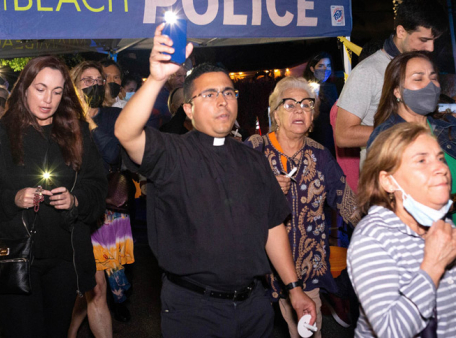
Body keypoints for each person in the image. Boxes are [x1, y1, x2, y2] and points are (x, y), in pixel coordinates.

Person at [115, 24, 316, 337]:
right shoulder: (172, 153)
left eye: (228, 92)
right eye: (209, 94)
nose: (222, 101)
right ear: (189, 110)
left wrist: (294, 288)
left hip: (253, 307)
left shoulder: (252, 158)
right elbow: (125, 133)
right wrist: (156, 78)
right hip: (194, 309)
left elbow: (272, 225)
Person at [0, 56, 107, 338]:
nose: (49, 99)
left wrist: (75, 200)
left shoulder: (78, 132)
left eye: (57, 91)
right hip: (17, 256)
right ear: (24, 89)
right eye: (41, 88)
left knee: (56, 331)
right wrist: (13, 198)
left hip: (63, 258)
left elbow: (97, 188)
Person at [245, 77, 359, 337]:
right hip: (259, 269)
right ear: (275, 113)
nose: (299, 110)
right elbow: (229, 198)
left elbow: (347, 202)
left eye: (307, 104)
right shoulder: (254, 150)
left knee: (307, 332)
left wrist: (380, 229)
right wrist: (263, 188)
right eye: (290, 104)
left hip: (308, 268)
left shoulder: (320, 155)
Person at [348, 122, 456, 337]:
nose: (441, 168)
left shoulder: (441, 223)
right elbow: (390, 331)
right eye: (421, 161)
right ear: (388, 181)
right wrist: (433, 265)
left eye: (439, 158)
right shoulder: (372, 239)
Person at [367, 51, 456, 271]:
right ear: (397, 91)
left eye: (433, 77)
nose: (431, 86)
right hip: (420, 265)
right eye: (418, 79)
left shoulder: (451, 128)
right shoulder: (386, 139)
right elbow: (389, 207)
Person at [335, 0, 447, 168]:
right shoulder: (367, 71)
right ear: (401, 31)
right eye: (423, 39)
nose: (430, 48)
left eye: (434, 40)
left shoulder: (425, 67)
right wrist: (406, 128)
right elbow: (343, 135)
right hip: (385, 175)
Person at [68, 60, 135, 337]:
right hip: (71, 209)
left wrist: (89, 120)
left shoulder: (111, 117)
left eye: (98, 81)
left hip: (104, 211)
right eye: (87, 80)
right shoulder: (62, 118)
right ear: (74, 85)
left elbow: (112, 155)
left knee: (97, 287)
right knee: (83, 287)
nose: (95, 84)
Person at [304, 52, 338, 158]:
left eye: (328, 66)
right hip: (312, 135)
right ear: (312, 68)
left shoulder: (332, 87)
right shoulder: (305, 87)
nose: (325, 69)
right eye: (320, 66)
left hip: (330, 136)